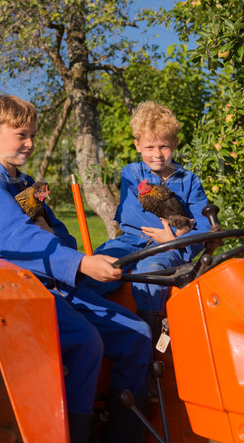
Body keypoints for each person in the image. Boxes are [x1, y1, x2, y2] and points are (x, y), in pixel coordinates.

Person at [0, 94, 152, 443]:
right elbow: (18, 239)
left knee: (137, 334)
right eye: (21, 135)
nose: (30, 143)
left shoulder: (27, 185)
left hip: (52, 280)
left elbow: (62, 238)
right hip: (12, 288)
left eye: (33, 134)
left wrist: (78, 255)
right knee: (86, 343)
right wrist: (80, 263)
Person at [88, 101, 210, 341]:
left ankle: (149, 335)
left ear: (175, 144)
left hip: (170, 245)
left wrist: (177, 240)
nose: (157, 153)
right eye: (150, 146)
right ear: (138, 146)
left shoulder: (190, 180)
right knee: (97, 265)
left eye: (164, 146)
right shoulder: (132, 173)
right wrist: (182, 225)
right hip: (131, 241)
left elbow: (205, 228)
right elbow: (134, 215)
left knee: (151, 270)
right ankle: (91, 323)